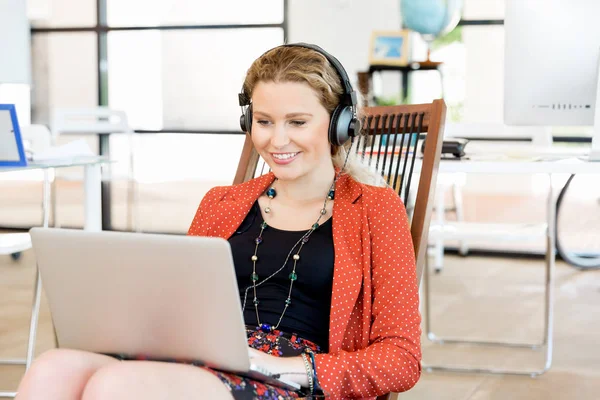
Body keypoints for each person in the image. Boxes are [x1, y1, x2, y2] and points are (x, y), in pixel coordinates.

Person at [16, 43, 421, 400]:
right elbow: (178, 308)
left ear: (339, 124)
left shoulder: (375, 210)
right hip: (202, 359)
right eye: (264, 122)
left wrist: (283, 366)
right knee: (55, 367)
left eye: (297, 122)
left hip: (292, 377)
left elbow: (402, 359)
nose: (277, 141)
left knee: (118, 386)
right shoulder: (222, 202)